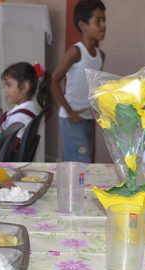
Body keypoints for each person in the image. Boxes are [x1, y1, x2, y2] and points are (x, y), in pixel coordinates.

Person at [51, 0, 106, 163]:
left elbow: (95, 86)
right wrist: (70, 112)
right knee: (79, 162)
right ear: (83, 25)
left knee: (85, 161)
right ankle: (73, 189)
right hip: (72, 118)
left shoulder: (100, 56)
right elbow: (54, 81)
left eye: (104, 20)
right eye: (98, 21)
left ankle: (79, 189)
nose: (103, 25)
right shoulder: (76, 52)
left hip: (89, 117)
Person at [0, 62, 51, 157]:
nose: (5, 90)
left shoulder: (21, 116)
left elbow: (10, 146)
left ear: (24, 87)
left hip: (8, 161)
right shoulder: (30, 106)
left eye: (9, 85)